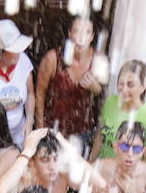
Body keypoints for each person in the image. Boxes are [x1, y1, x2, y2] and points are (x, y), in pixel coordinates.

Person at [35, 16, 102, 145]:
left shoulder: (98, 59)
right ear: (69, 33)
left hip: (83, 132)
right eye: (77, 31)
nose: (82, 38)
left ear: (92, 36)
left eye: (87, 32)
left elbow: (105, 97)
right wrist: (40, 128)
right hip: (53, 129)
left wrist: (95, 87)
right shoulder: (53, 58)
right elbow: (39, 94)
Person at [92, 58, 146, 164]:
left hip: (127, 177)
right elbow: (100, 137)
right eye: (121, 83)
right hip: (102, 170)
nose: (124, 90)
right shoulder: (110, 102)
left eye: (130, 85)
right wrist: (91, 161)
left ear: (143, 87)